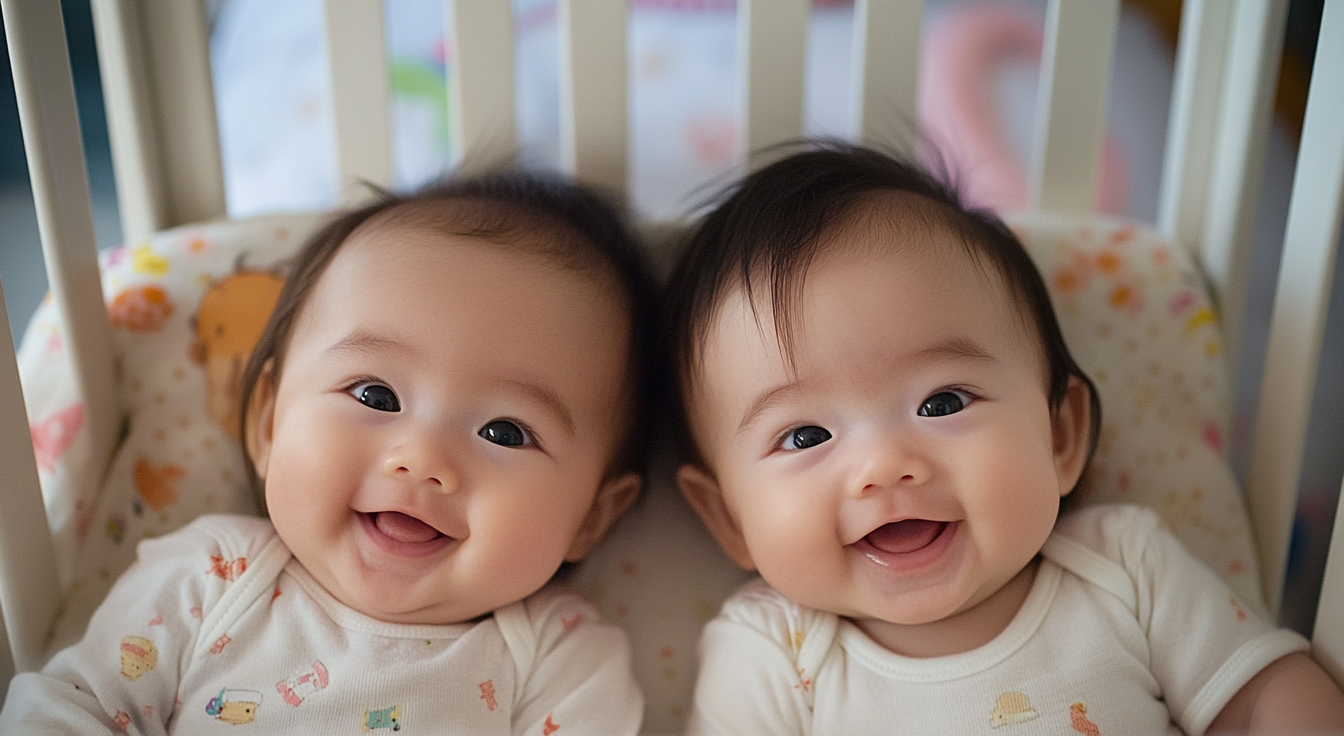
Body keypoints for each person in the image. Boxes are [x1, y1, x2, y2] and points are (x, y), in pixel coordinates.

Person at [663, 143, 1344, 735]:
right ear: (728, 517)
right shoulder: (772, 653)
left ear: (1060, 436)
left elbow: (1265, 703)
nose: (884, 465)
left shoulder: (1127, 570)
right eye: (805, 434)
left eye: (942, 401)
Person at [1, 171, 656, 734]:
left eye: (505, 432)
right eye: (374, 394)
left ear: (594, 515)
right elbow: (70, 710)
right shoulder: (211, 577)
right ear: (267, 422)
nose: (422, 457)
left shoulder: (558, 658)